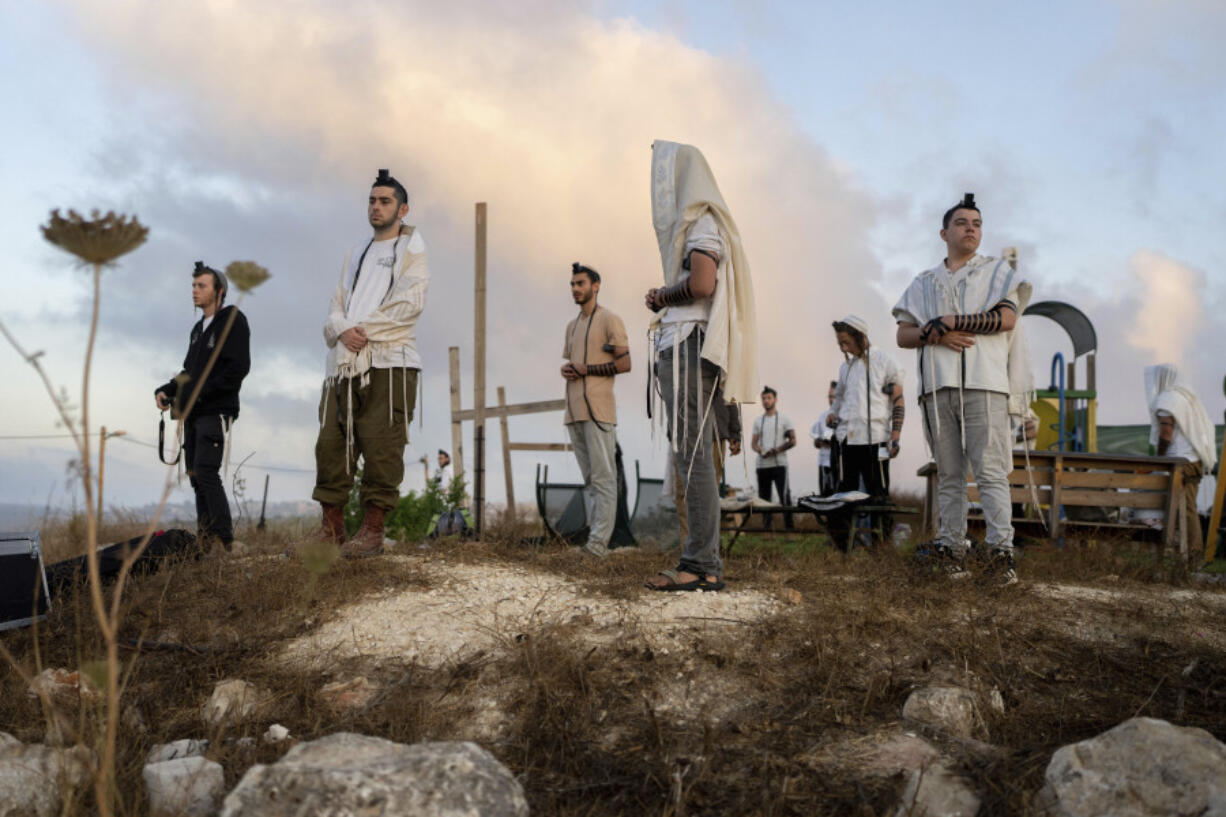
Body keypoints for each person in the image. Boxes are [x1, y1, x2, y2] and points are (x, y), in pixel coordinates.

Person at [893, 193, 1032, 583]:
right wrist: (934, 334)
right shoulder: (923, 282)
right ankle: (951, 547)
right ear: (944, 232)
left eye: (976, 224)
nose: (971, 229)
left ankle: (1000, 553)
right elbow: (904, 334)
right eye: (962, 223)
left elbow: (1006, 319)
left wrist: (952, 320)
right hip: (938, 387)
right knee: (950, 472)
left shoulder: (996, 272)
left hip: (984, 384)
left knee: (989, 472)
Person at [644, 140, 758, 592]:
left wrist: (661, 296)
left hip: (691, 345)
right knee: (691, 456)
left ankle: (701, 564)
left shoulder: (703, 221)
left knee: (693, 458)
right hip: (686, 346)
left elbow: (703, 283)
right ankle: (700, 561)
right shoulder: (699, 224)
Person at [310, 169, 429, 558]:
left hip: (389, 364)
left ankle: (373, 533)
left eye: (385, 201)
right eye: (372, 201)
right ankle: (331, 532)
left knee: (381, 445)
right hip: (343, 364)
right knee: (331, 444)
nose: (376, 208)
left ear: (403, 208)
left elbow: (409, 305)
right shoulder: (357, 251)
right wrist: (343, 330)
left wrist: (362, 330)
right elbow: (335, 305)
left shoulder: (413, 250)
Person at [155, 261, 251, 553]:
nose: (195, 291)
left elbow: (238, 368)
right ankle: (205, 541)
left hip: (215, 409)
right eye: (194, 286)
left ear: (219, 291)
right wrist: (167, 390)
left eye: (202, 286)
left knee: (207, 472)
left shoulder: (232, 319)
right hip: (194, 413)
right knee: (196, 475)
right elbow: (189, 371)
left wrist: (201, 393)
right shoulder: (198, 329)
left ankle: (226, 541)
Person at [562, 262, 631, 557]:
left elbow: (625, 364)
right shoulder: (572, 325)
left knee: (604, 480)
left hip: (599, 412)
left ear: (595, 286)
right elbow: (575, 364)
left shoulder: (610, 319)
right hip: (574, 413)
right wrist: (570, 369)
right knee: (591, 481)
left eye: (581, 283)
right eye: (573, 284)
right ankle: (595, 540)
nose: (576, 289)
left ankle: (598, 547)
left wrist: (586, 369)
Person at [825, 316, 904, 548]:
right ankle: (844, 549)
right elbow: (839, 398)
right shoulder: (845, 368)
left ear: (860, 336)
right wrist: (833, 413)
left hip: (876, 439)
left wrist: (895, 436)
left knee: (878, 495)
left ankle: (881, 548)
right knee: (844, 495)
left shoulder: (884, 360)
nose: (843, 348)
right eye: (840, 343)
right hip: (847, 439)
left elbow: (898, 400)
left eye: (846, 342)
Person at [1146, 364, 1218, 569]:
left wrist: (1158, 457)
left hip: (1180, 463)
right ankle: (1187, 556)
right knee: (1188, 508)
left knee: (1185, 510)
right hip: (1193, 461)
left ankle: (1193, 557)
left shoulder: (1167, 400)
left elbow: (1166, 434)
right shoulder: (1187, 398)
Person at [752, 386, 796, 529]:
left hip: (779, 464)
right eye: (763, 398)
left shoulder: (785, 418)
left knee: (785, 497)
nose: (766, 401)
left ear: (775, 399)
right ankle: (768, 530)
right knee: (764, 499)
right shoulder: (758, 421)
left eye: (769, 398)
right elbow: (753, 444)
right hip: (762, 465)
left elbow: (793, 440)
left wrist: (777, 450)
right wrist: (761, 450)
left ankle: (790, 530)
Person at [810, 380, 839, 496]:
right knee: (824, 495)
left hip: (838, 462)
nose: (831, 400)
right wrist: (819, 441)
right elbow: (816, 440)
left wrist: (831, 442)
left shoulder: (845, 415)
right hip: (824, 461)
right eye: (829, 397)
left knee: (838, 494)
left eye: (834, 397)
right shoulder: (823, 416)